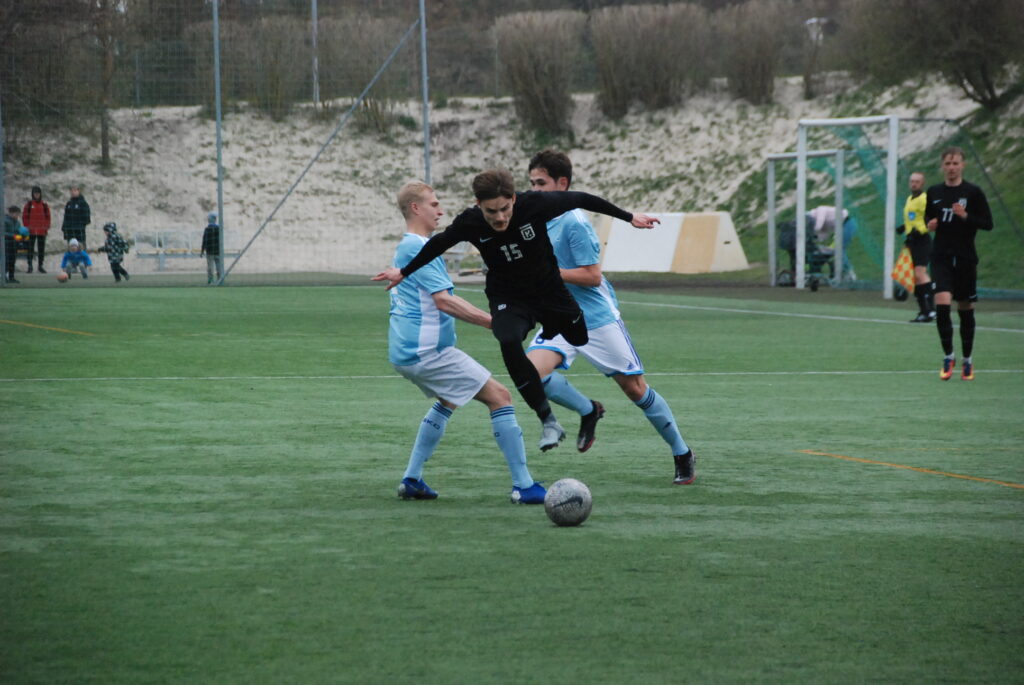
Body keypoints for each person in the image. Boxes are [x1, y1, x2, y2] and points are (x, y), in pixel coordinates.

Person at [373, 169, 659, 452]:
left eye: (504, 209)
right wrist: (404, 272)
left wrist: (629, 217)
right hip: (509, 298)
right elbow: (438, 244)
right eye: (491, 211)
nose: (499, 217)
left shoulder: (535, 204)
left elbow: (581, 198)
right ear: (478, 204)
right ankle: (548, 420)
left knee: (578, 335)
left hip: (549, 292)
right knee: (507, 338)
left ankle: (563, 354)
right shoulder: (470, 221)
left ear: (513, 199)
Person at [525, 150, 696, 485]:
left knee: (635, 389)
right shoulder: (533, 219)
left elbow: (591, 276)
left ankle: (682, 452)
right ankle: (588, 410)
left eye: (541, 183)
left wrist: (546, 273)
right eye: (531, 183)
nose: (534, 190)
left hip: (594, 319)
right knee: (530, 374)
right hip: (558, 317)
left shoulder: (575, 223)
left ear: (563, 184)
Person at [385, 181, 546, 504]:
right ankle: (524, 486)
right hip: (427, 352)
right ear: (415, 208)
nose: (440, 210)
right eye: (434, 204)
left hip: (408, 352)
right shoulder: (417, 247)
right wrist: (494, 322)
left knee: (449, 399)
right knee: (500, 397)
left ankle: (412, 479)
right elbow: (444, 301)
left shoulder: (411, 246)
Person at [924, 146, 993, 381]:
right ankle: (948, 356)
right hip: (941, 256)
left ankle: (967, 360)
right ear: (942, 166)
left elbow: (987, 223)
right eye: (948, 163)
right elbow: (928, 217)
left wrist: (965, 216)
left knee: (965, 308)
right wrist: (930, 224)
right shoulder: (934, 192)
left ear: (963, 165)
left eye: (955, 163)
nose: (952, 168)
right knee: (942, 303)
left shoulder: (973, 192)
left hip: (965, 257)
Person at [895, 171, 935, 323]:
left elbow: (931, 220)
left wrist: (921, 230)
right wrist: (904, 227)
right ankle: (924, 311)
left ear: (922, 184)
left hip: (922, 241)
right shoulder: (909, 199)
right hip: (911, 241)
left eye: (917, 182)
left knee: (920, 273)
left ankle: (932, 309)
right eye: (912, 181)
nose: (914, 184)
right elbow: (913, 219)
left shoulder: (924, 199)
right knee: (914, 276)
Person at [22, 186, 51, 274]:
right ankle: (30, 266)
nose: (36, 195)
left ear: (40, 194)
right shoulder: (29, 204)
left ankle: (40, 265)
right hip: (31, 231)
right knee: (30, 249)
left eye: (38, 193)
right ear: (33, 194)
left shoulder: (44, 205)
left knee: (41, 249)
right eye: (35, 193)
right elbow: (25, 217)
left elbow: (48, 217)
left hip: (42, 231)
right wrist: (27, 226)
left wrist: (46, 227)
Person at [200, 212, 222, 284]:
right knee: (218, 266)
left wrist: (202, 251)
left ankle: (211, 280)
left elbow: (204, 240)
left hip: (210, 251)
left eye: (209, 218)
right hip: (218, 251)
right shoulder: (219, 229)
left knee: (210, 267)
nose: (208, 220)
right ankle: (220, 279)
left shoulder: (207, 229)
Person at [4, 206, 21, 284]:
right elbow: (3, 233)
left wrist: (22, 235)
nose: (18, 216)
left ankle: (11, 277)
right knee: (6, 261)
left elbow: (18, 231)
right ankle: (4, 277)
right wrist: (13, 236)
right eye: (16, 214)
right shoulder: (4, 221)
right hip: (6, 244)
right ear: (11, 213)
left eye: (18, 214)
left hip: (14, 244)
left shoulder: (17, 222)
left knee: (12, 261)